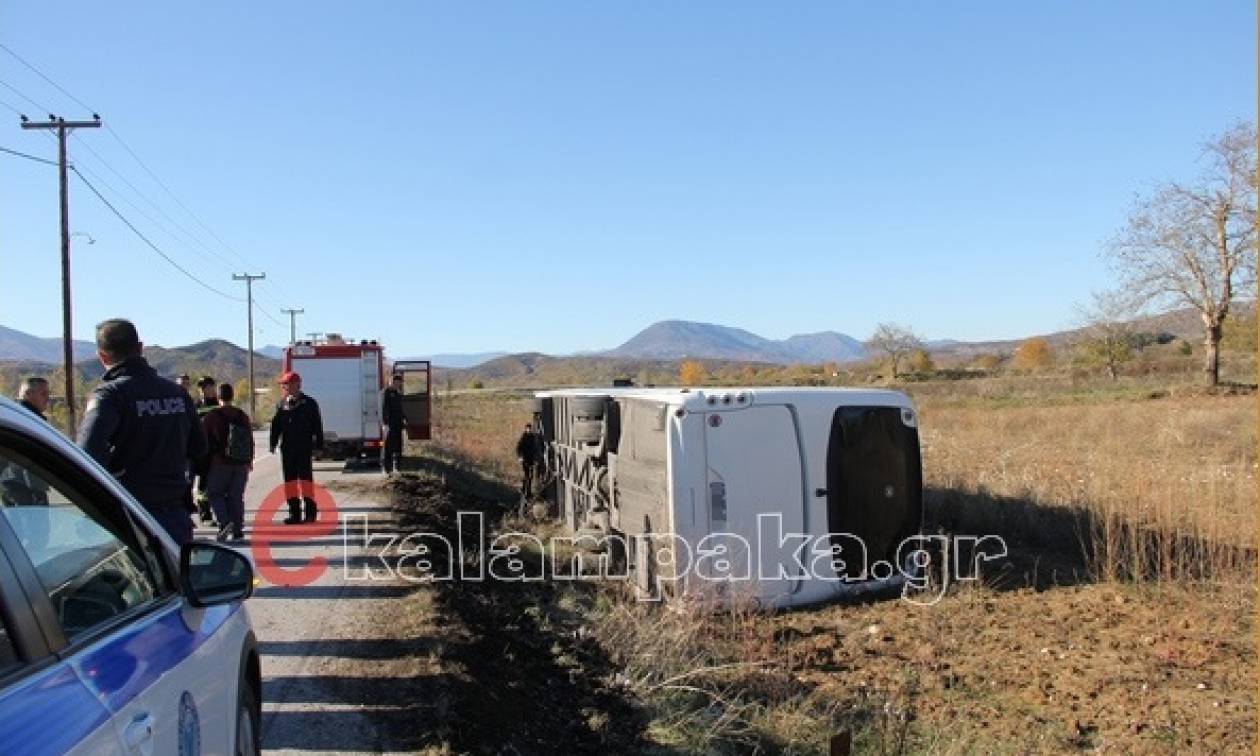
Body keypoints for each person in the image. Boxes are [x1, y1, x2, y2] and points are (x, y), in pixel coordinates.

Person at [78, 319, 207, 545]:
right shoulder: (176, 393)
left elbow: (86, 455)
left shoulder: (110, 395)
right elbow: (199, 448)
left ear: (103, 357)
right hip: (174, 511)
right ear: (140, 348)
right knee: (175, 575)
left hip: (130, 512)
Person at [269, 372, 324, 524]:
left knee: (306, 481)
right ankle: (295, 513)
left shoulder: (309, 403)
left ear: (297, 385)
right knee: (290, 482)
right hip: (287, 449)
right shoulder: (281, 404)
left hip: (304, 449)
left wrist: (319, 446)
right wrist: (273, 443)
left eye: (287, 384)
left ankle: (310, 513)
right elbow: (276, 426)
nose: (284, 387)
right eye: (283, 385)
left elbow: (317, 426)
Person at [201, 383, 252, 541]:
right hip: (240, 462)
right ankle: (238, 530)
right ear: (232, 396)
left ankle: (224, 522)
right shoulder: (242, 415)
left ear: (219, 396)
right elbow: (249, 439)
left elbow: (203, 441)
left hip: (219, 463)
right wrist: (249, 460)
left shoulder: (212, 417)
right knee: (236, 496)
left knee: (215, 494)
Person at [191, 375, 220, 522]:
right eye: (202, 387)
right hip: (201, 451)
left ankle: (220, 512)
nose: (204, 390)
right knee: (203, 483)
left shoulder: (219, 405)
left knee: (215, 482)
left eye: (207, 387)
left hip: (216, 450)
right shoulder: (195, 405)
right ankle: (204, 512)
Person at [380, 373, 406, 474]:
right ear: (395, 381)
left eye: (400, 382)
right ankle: (388, 468)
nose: (399, 384)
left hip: (398, 423)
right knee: (389, 446)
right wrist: (386, 422)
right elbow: (385, 407)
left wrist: (404, 418)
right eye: (398, 382)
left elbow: (400, 409)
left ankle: (398, 467)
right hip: (391, 423)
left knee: (398, 445)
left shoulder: (398, 393)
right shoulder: (388, 392)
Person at [515, 423, 543, 499]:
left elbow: (536, 448)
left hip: (531, 459)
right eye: (528, 429)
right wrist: (520, 457)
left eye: (530, 429)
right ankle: (525, 490)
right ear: (526, 429)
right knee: (527, 475)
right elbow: (518, 448)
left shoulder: (533, 437)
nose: (529, 430)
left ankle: (528, 491)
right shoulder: (523, 437)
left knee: (530, 476)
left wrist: (536, 458)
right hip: (525, 459)